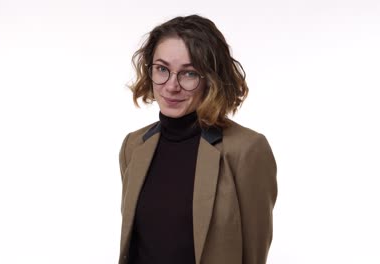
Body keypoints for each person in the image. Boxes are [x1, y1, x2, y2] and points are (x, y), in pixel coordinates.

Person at [118, 15, 277, 264]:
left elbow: (254, 254)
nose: (171, 86)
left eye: (189, 74)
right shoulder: (134, 145)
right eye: (162, 69)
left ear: (211, 80)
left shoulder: (247, 150)